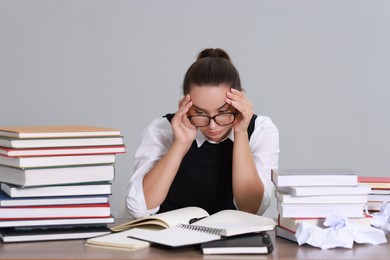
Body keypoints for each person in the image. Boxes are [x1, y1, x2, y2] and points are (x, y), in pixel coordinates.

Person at [126, 48, 279, 219]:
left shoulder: (261, 129)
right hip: (170, 239)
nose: (212, 126)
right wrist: (180, 144)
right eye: (200, 113)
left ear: (239, 101)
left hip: (232, 240)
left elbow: (251, 210)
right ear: (186, 104)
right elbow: (138, 209)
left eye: (223, 112)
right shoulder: (163, 129)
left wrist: (241, 133)